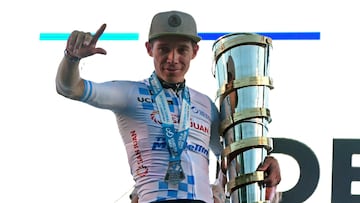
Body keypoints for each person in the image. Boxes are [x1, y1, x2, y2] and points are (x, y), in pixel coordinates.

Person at [55, 10, 281, 203]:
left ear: (194, 52)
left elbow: (229, 156)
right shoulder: (129, 94)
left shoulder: (205, 104)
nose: (173, 58)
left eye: (182, 50)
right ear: (149, 49)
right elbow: (70, 88)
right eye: (163, 49)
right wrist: (71, 58)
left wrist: (267, 161)